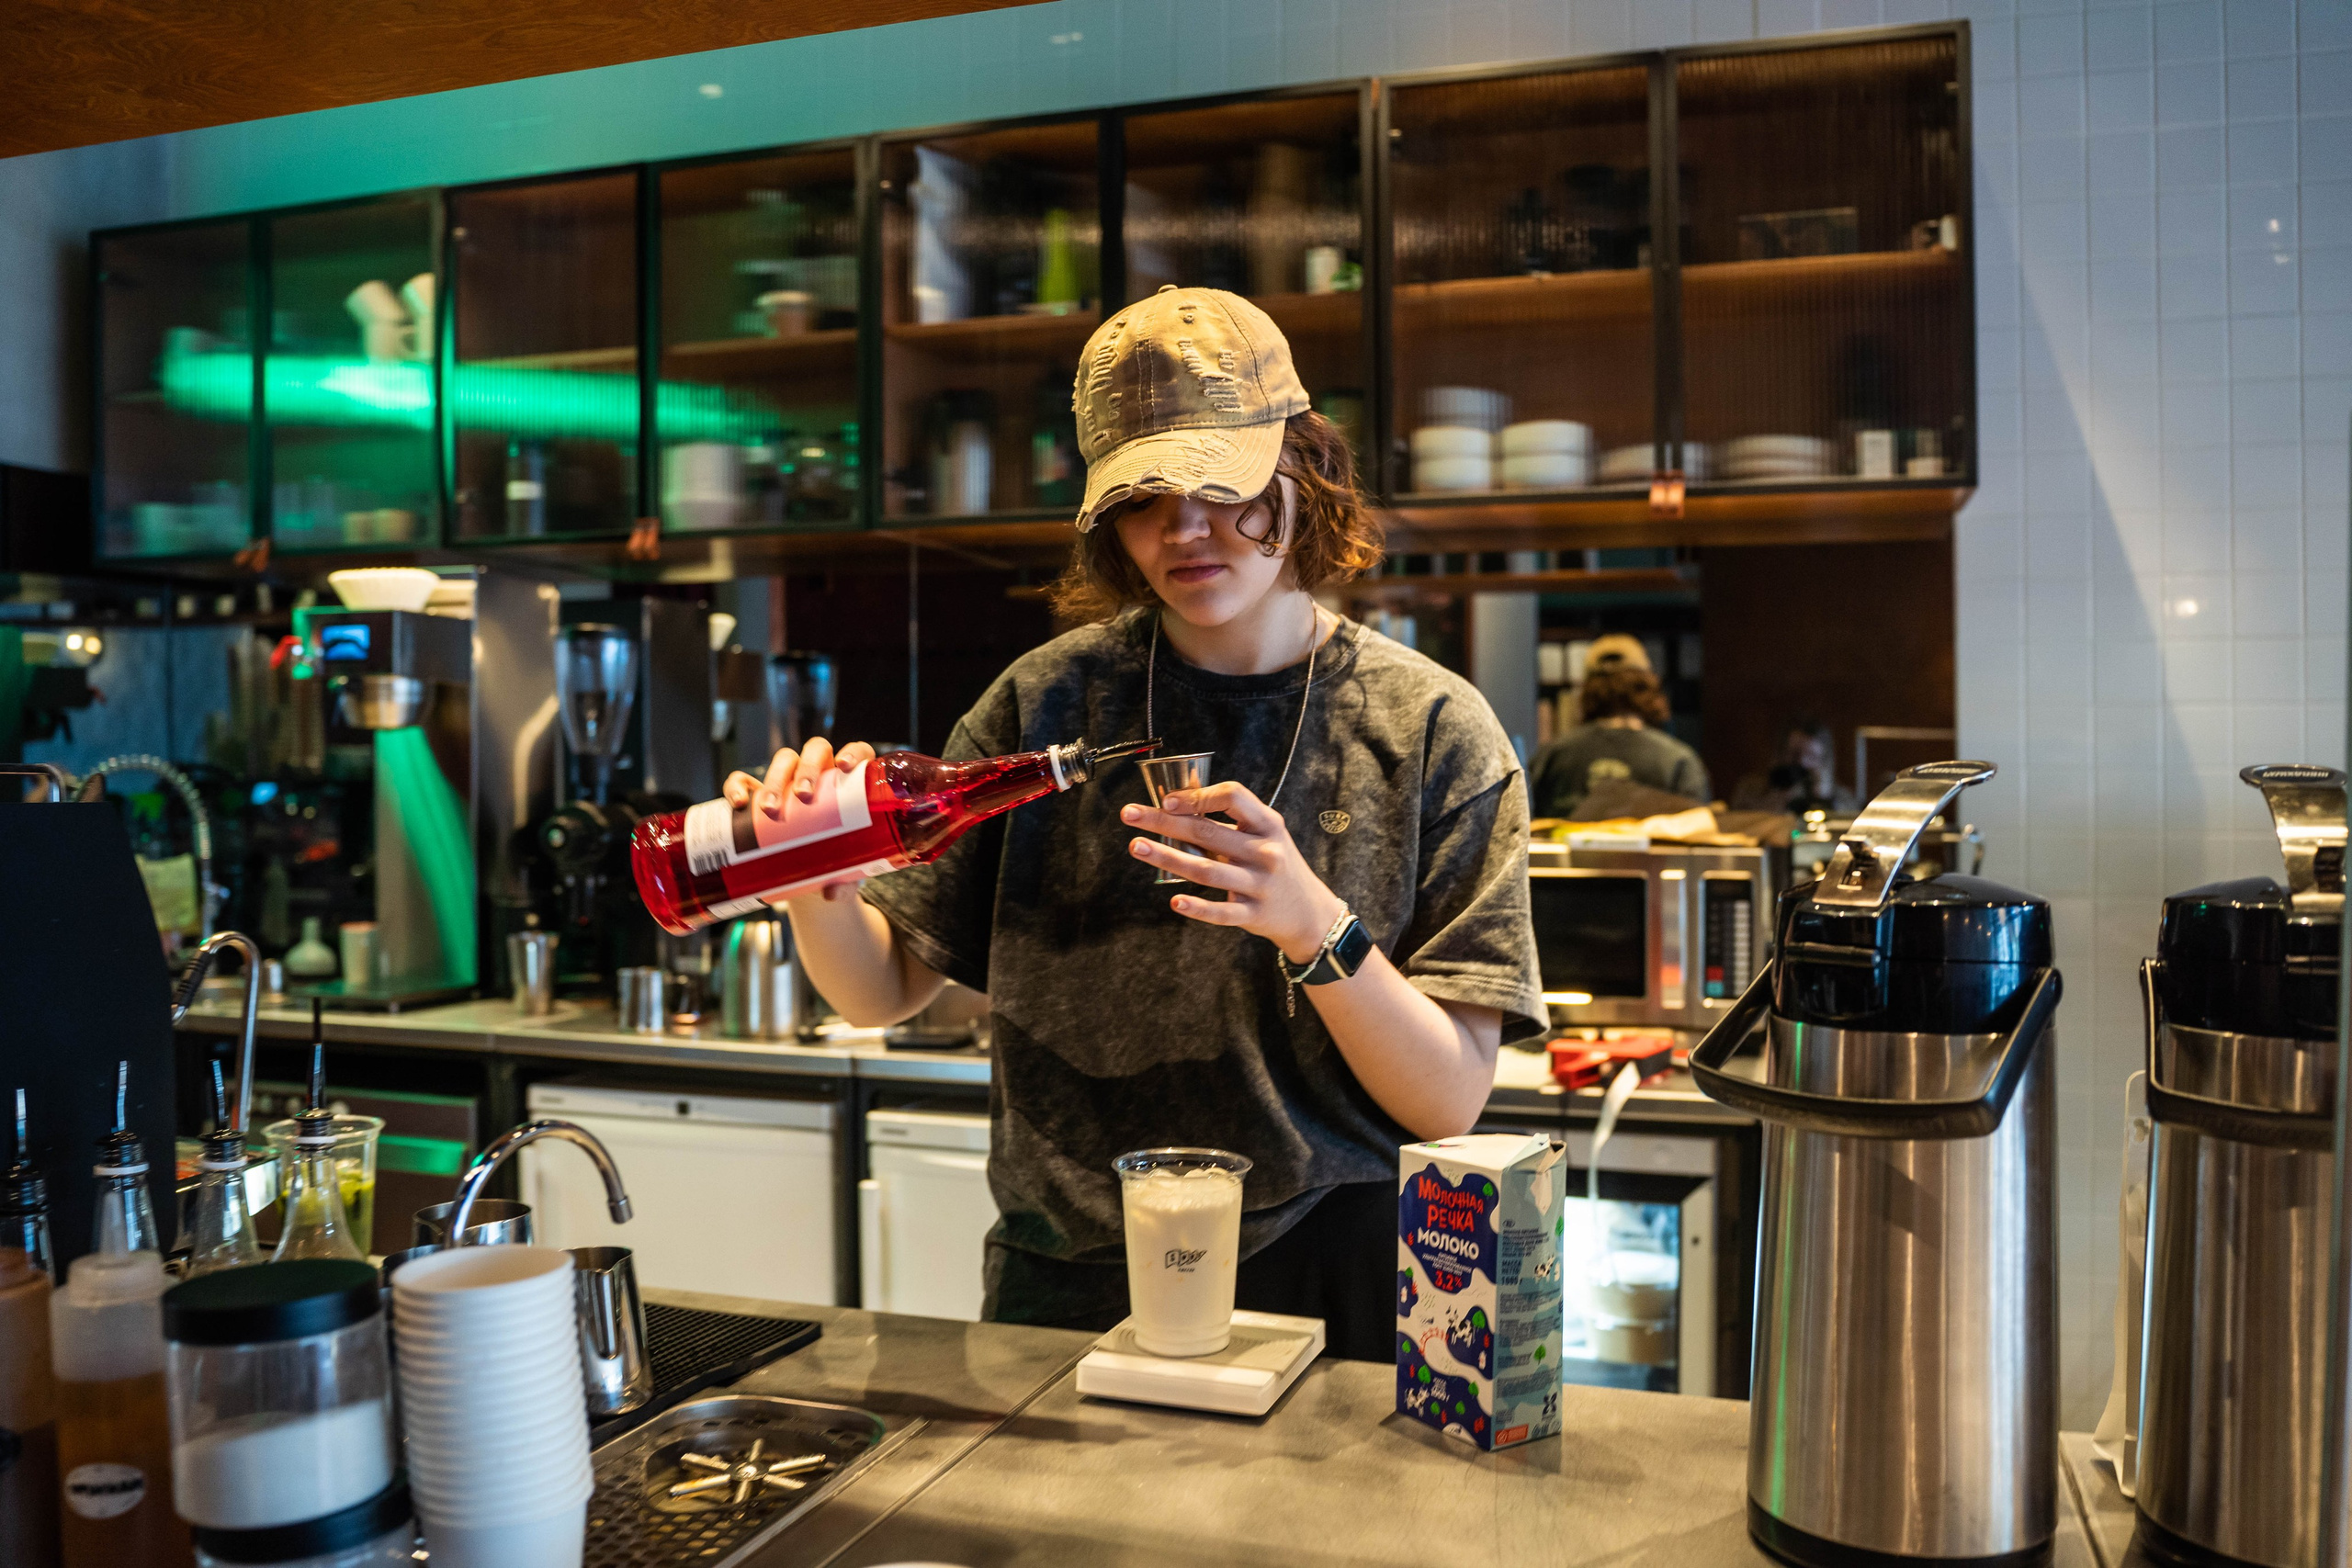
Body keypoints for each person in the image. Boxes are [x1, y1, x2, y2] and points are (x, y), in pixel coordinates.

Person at [720, 286, 1544, 1360]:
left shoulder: (1432, 728)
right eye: (1144, 497)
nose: (1183, 528)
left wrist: (1311, 925)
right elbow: (882, 991)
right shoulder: (1044, 704)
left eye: (1219, 484)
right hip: (1063, 1273)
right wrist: (817, 887)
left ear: (1303, 468)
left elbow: (1449, 1102)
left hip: (1327, 1268)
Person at [1528, 641, 1709, 817]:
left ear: (1587, 689)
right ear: (1647, 685)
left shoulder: (1552, 755)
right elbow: (1700, 827)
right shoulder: (1678, 759)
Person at [1730, 717, 1856, 817]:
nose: (1802, 763)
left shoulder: (1843, 798)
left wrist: (1823, 800)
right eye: (1795, 754)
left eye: (1811, 756)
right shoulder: (1750, 789)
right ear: (1780, 753)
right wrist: (1775, 800)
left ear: (1824, 762)